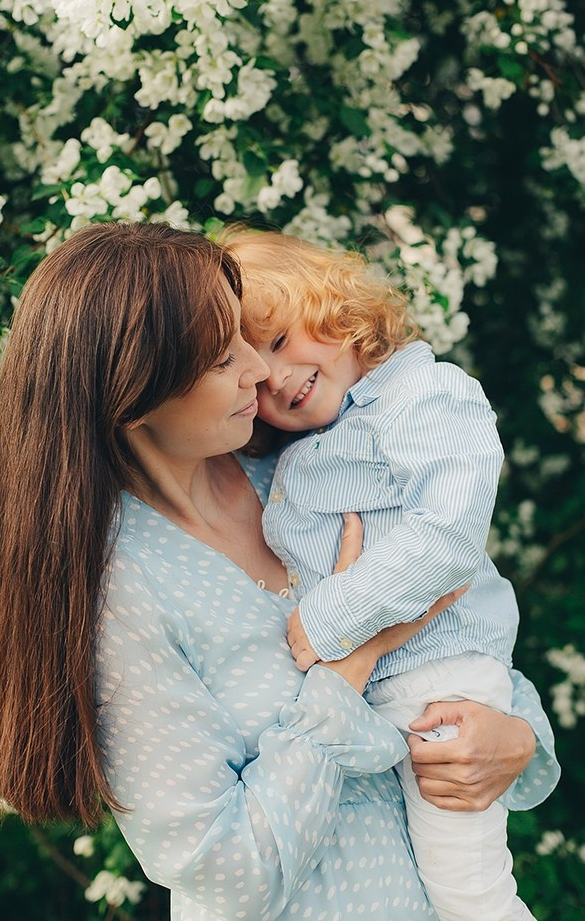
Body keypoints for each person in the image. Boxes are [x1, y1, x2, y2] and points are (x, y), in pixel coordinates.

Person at [0, 222, 558, 921]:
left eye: (249, 338)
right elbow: (224, 873)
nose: (258, 370)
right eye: (219, 357)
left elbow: (451, 626)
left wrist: (515, 740)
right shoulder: (123, 592)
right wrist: (343, 673)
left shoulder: (297, 470)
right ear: (134, 395)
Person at [225, 226, 559, 921]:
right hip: (386, 695)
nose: (277, 377)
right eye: (255, 373)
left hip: (439, 683)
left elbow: (446, 539)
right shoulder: (301, 444)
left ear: (333, 306)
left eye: (281, 340)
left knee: (468, 892)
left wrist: (325, 621)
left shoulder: (425, 394)